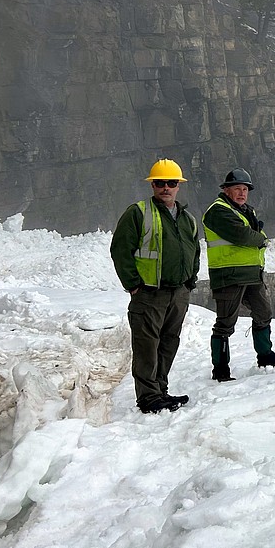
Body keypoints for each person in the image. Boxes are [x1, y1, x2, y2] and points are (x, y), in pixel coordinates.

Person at [110, 158, 201, 414]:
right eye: (160, 183)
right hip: (149, 294)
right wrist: (134, 285)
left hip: (178, 293)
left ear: (178, 186)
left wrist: (189, 282)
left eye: (171, 183)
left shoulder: (187, 219)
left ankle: (160, 390)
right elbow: (120, 249)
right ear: (152, 185)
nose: (166, 188)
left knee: (168, 342)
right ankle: (148, 397)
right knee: (147, 346)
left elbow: (194, 251)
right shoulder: (138, 213)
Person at [204, 168, 275, 381]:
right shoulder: (218, 211)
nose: (242, 193)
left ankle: (266, 356)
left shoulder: (246, 211)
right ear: (226, 190)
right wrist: (260, 239)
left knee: (263, 313)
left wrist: (257, 236)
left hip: (252, 274)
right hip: (229, 275)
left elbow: (252, 234)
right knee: (225, 323)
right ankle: (220, 369)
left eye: (245, 189)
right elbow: (243, 236)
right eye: (237, 188)